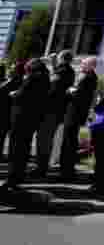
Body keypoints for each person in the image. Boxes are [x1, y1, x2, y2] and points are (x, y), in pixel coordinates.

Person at [1, 59, 50, 192]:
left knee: (16, 148)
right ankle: (19, 175)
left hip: (22, 118)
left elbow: (22, 95)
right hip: (33, 119)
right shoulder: (46, 79)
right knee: (24, 147)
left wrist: (13, 94)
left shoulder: (32, 78)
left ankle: (12, 178)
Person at [34, 50, 74, 179]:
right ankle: (41, 166)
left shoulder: (63, 71)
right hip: (58, 111)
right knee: (46, 138)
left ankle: (41, 168)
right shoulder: (69, 71)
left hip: (51, 111)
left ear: (62, 58)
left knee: (44, 139)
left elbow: (53, 87)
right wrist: (53, 62)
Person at [59, 56, 99, 181]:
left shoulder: (88, 78)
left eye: (83, 64)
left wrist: (71, 90)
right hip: (77, 113)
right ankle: (67, 169)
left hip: (74, 113)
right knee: (70, 140)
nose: (81, 66)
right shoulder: (90, 77)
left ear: (90, 66)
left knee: (69, 141)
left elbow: (79, 95)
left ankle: (67, 171)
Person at [0, 61, 26, 163]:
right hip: (11, 112)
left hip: (5, 112)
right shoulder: (22, 81)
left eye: (12, 68)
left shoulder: (12, 81)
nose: (10, 70)